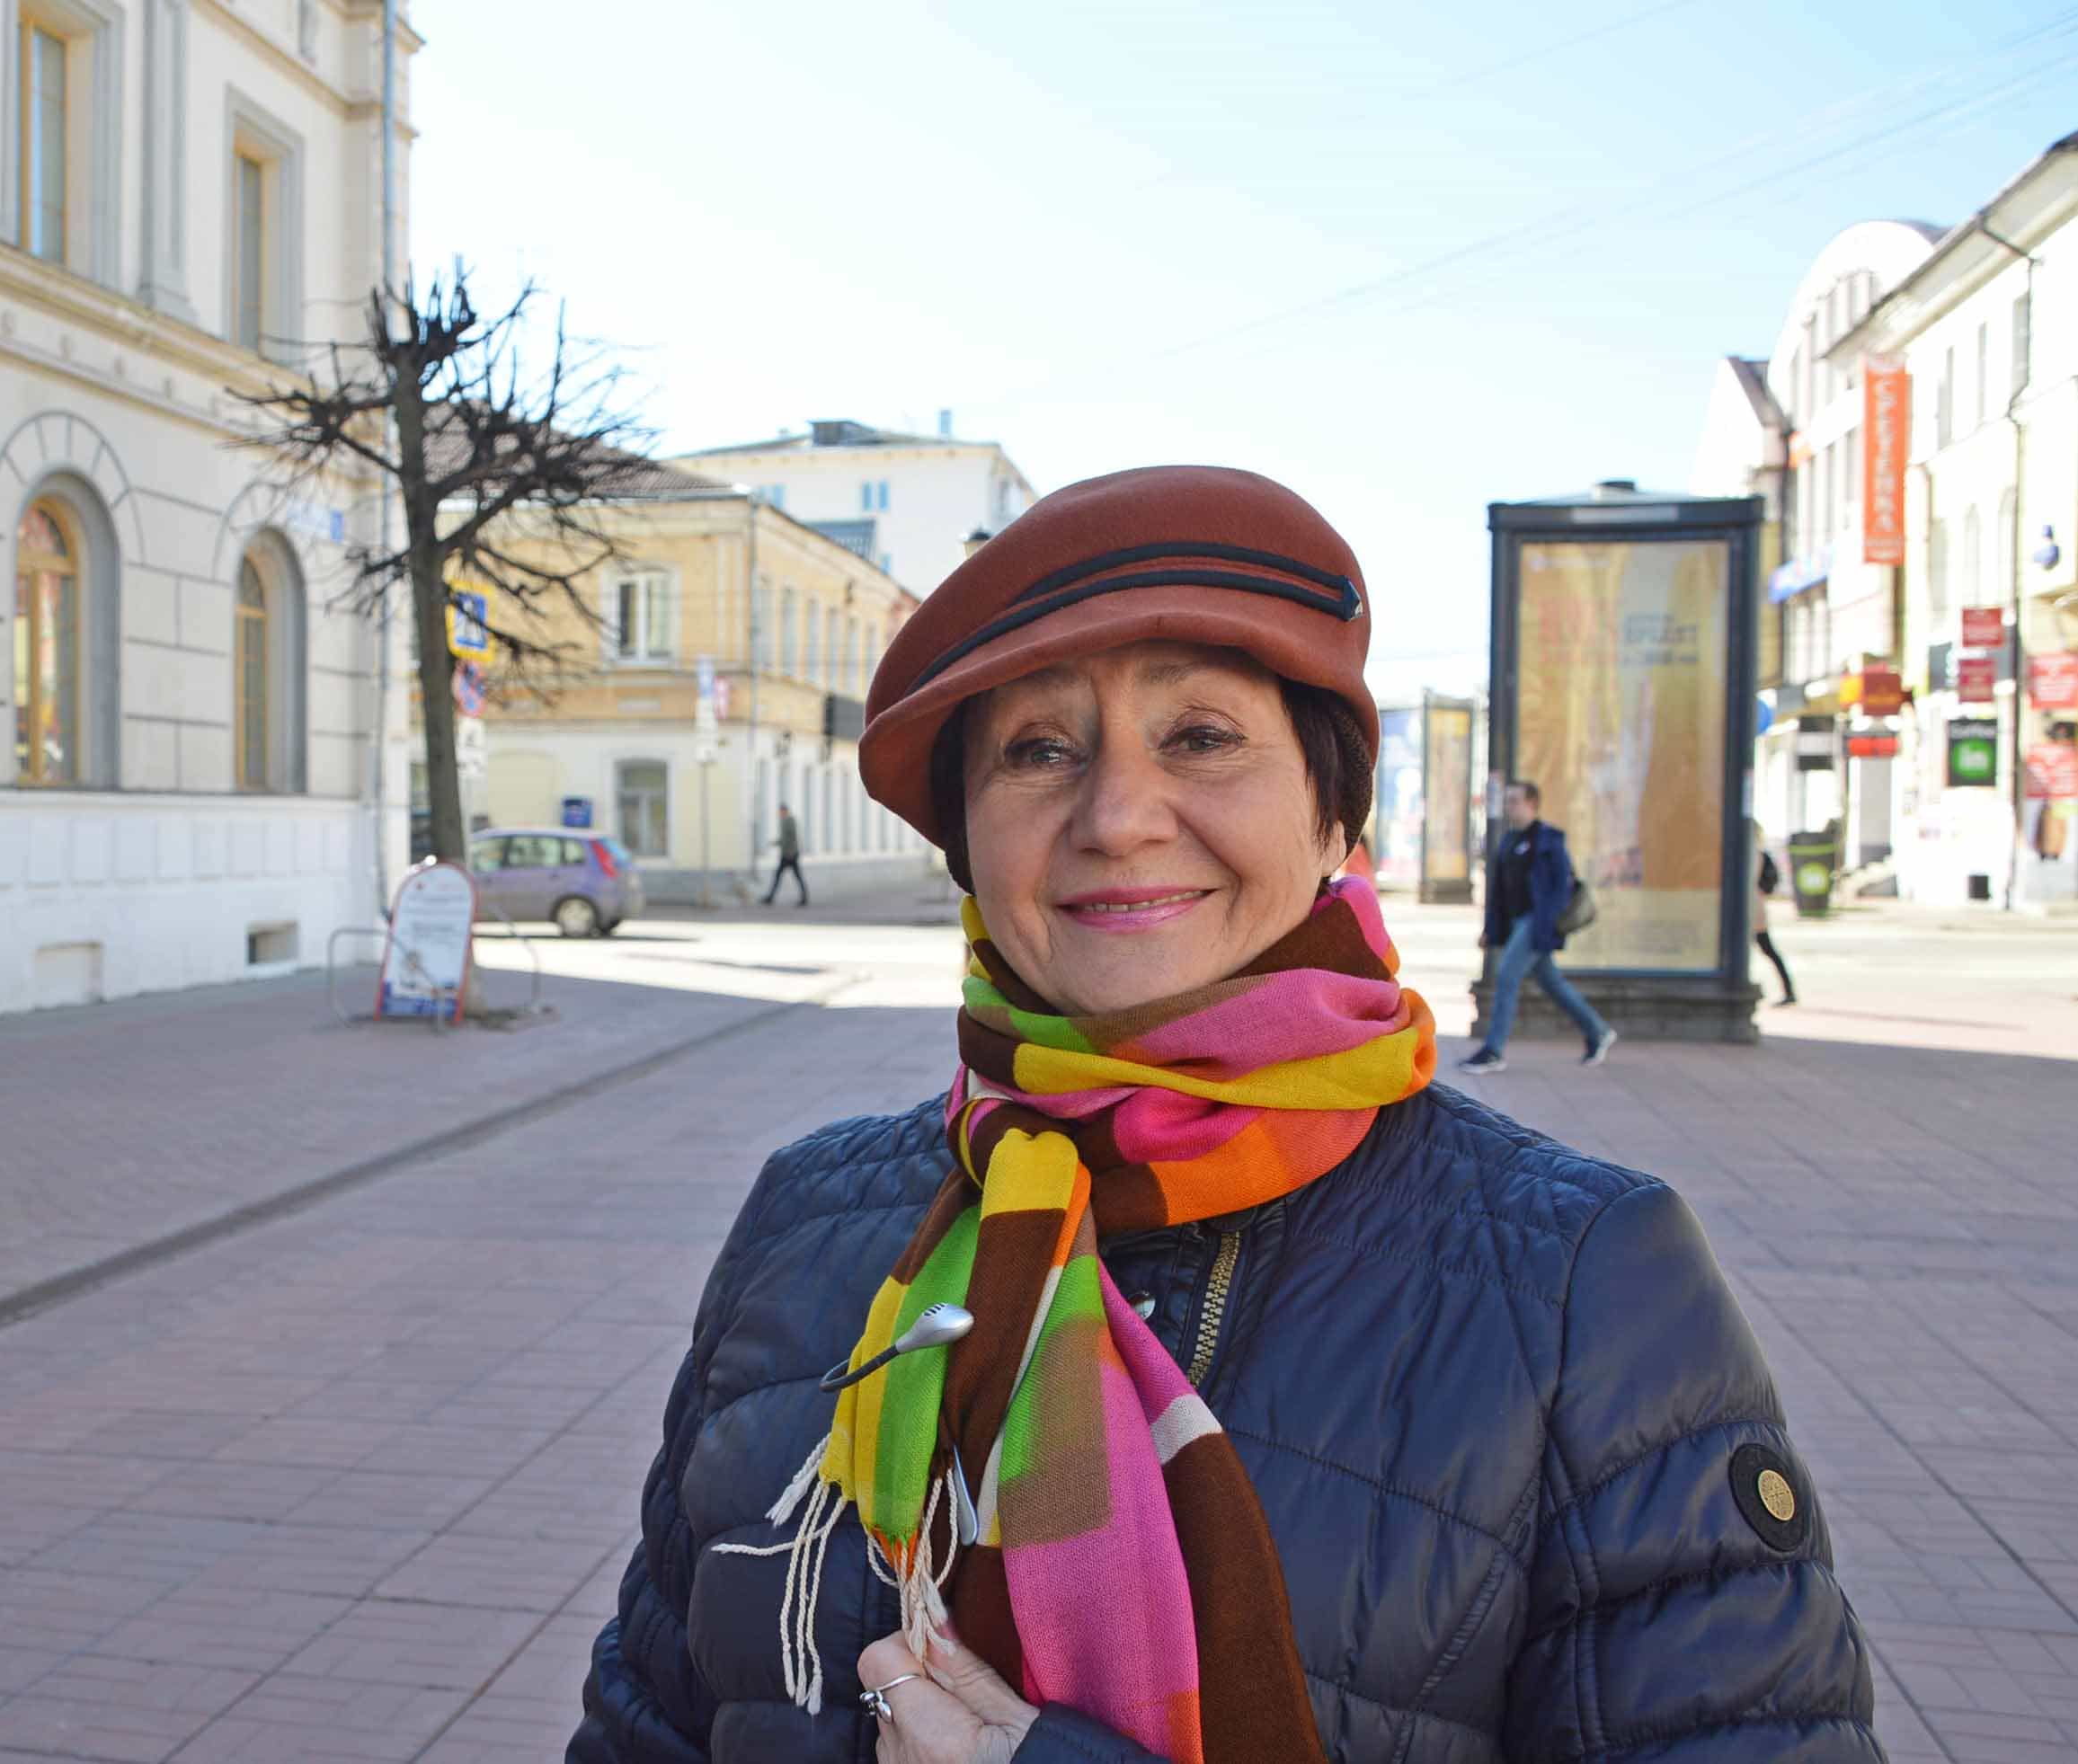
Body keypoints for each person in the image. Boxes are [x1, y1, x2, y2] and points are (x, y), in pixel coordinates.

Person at [570, 467, 1878, 1763]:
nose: (1119, 815)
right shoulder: (809, 1223)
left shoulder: (1583, 1279)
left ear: (1330, 812)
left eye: (1198, 735)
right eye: (1038, 748)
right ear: (971, 840)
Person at [1457, 781, 1616, 1075]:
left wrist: (1545, 923)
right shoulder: (1508, 842)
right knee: (1551, 983)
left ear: (1532, 804)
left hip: (1536, 923)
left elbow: (1560, 888)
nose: (1510, 807)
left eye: (1515, 801)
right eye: (1507, 801)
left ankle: (1493, 1051)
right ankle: (1597, 1031)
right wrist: (1490, 929)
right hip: (1516, 922)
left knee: (1506, 975)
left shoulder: (1549, 840)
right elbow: (1498, 895)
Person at [1749, 815, 1798, 1006]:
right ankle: (1788, 990)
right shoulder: (1759, 854)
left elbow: (1768, 883)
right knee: (1768, 950)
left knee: (1766, 949)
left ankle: (1789, 990)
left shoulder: (1751, 854)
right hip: (1756, 909)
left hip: (1752, 910)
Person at [763, 802, 809, 907]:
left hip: (790, 854)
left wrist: (789, 850)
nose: (779, 814)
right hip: (787, 854)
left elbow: (791, 837)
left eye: (780, 811)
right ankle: (770, 897)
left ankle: (804, 897)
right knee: (781, 876)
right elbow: (785, 838)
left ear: (784, 811)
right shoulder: (785, 821)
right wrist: (776, 843)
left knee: (794, 876)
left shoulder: (789, 821)